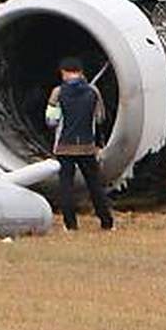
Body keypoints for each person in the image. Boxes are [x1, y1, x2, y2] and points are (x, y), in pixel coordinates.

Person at [46, 58, 114, 231]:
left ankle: (70, 225)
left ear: (63, 73)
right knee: (95, 186)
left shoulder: (58, 92)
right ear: (81, 72)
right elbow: (100, 118)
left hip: (64, 147)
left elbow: (51, 121)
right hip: (87, 147)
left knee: (66, 187)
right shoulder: (93, 92)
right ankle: (106, 222)